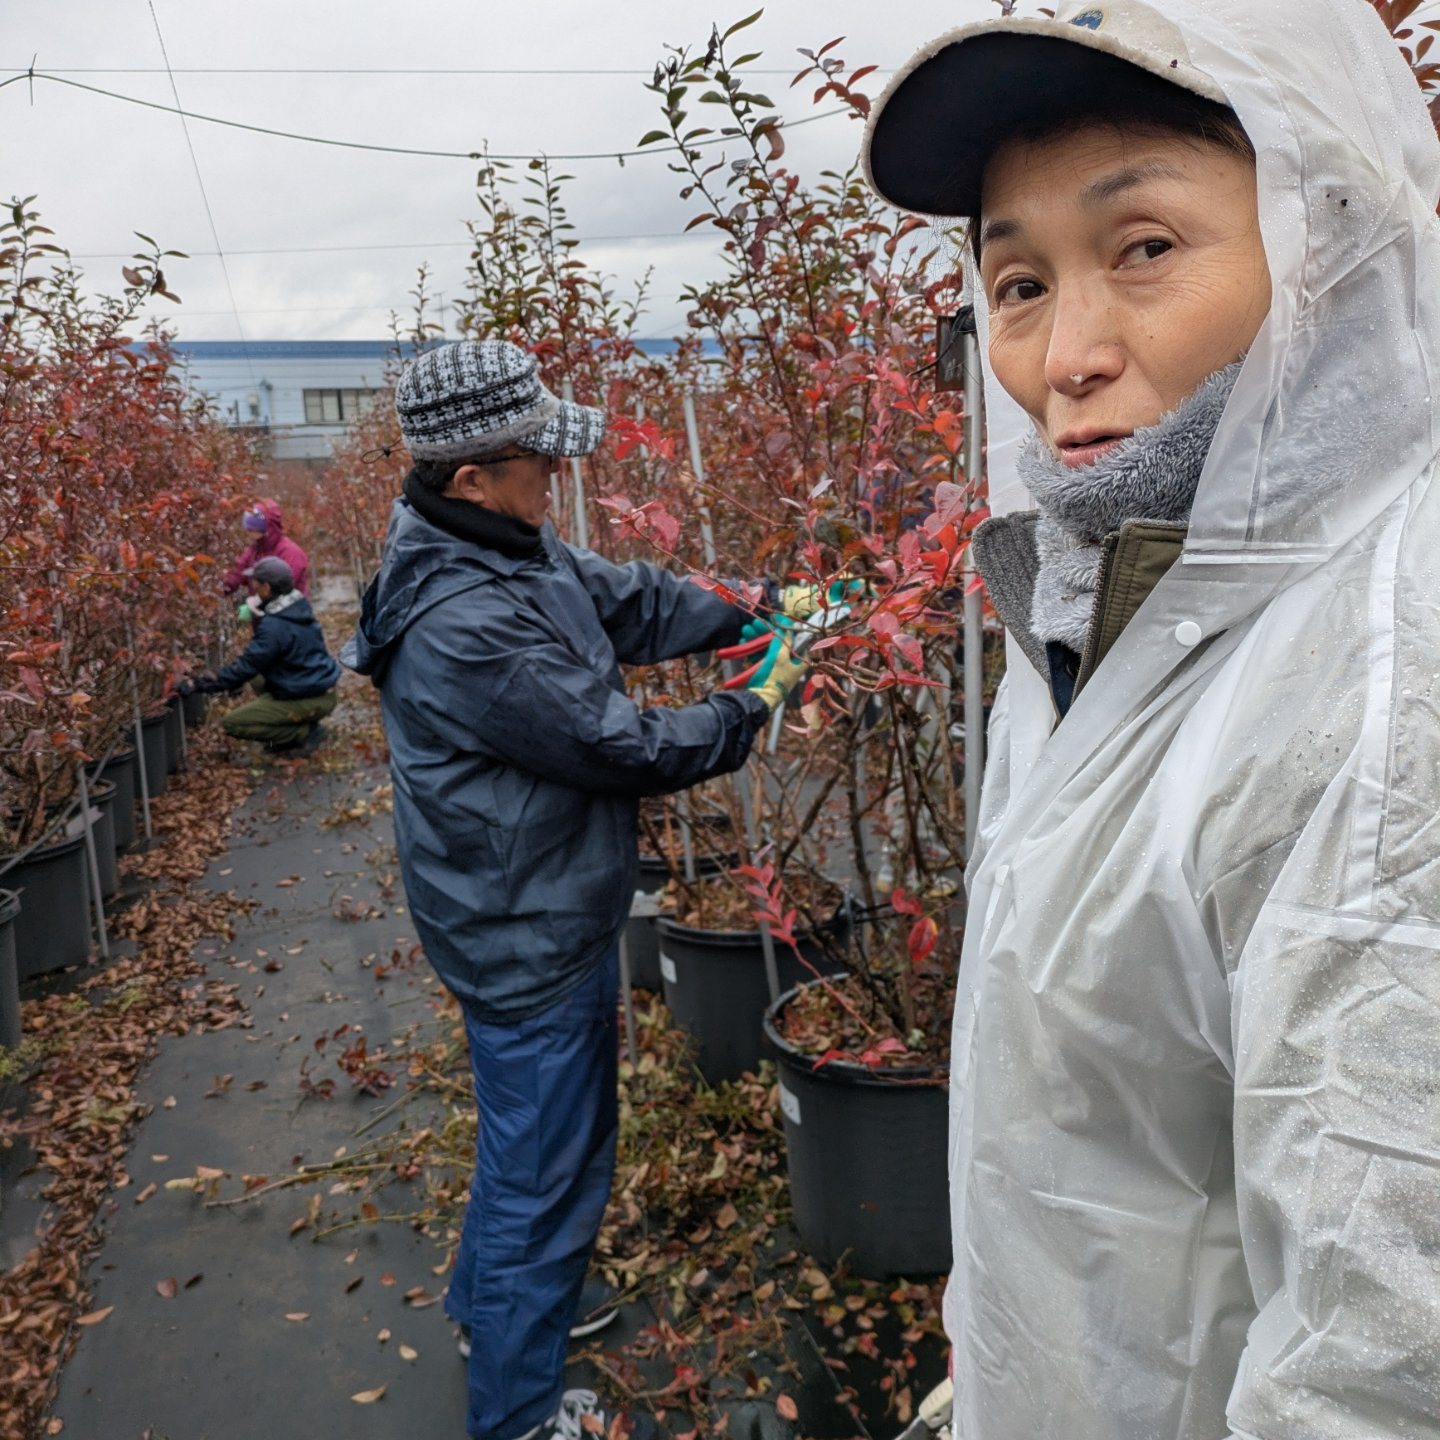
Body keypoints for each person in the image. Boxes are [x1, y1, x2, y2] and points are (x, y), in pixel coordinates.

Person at [862, 2, 1440, 1437]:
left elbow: (1383, 1356)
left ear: (1332, 245)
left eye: (1145, 250)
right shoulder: (1101, 600)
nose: (1068, 352)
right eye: (1017, 281)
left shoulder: (1379, 681)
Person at [341, 339, 810, 1440]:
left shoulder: (506, 546)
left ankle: (488, 1313)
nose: (555, 477)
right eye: (537, 460)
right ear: (472, 477)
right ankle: (517, 1415)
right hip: (524, 929)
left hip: (533, 897)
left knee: (526, 1155)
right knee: (548, 1180)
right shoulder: (465, 620)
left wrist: (760, 604)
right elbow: (620, 746)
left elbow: (633, 602)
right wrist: (752, 706)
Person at [194, 556, 339, 753]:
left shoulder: (274, 627)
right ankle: (295, 723)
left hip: (309, 696)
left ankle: (303, 733)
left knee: (233, 723)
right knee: (256, 675)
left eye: (256, 584)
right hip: (318, 688)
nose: (252, 588)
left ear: (267, 588)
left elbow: (246, 666)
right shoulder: (297, 607)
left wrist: (200, 685)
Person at [223, 497, 311, 598]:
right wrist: (218, 589)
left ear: (267, 527)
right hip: (265, 611)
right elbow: (237, 574)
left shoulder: (291, 552)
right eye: (249, 530)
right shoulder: (254, 550)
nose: (249, 533)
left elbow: (284, 587)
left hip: (291, 611)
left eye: (253, 530)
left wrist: (256, 603)